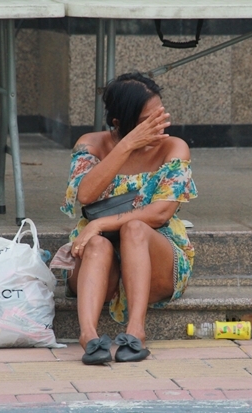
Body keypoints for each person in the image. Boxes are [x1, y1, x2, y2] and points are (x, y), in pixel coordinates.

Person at [58, 72, 197, 365]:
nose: (159, 126)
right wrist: (126, 146)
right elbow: (85, 195)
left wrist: (99, 223)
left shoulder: (174, 147)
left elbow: (160, 213)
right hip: (98, 262)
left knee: (135, 228)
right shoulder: (91, 144)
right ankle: (89, 336)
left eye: (160, 115)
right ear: (120, 123)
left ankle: (136, 332)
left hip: (156, 254)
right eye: (148, 120)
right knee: (96, 245)